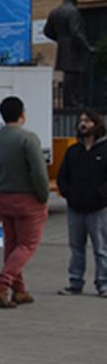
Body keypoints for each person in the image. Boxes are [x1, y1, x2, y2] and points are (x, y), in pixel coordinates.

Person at [0, 96, 50, 308]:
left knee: (12, 246)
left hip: (3, 197)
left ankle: (19, 290)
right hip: (27, 199)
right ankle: (1, 284)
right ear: (22, 114)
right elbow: (38, 172)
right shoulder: (28, 139)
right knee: (27, 245)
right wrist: (43, 196)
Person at [55, 109, 107, 296]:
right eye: (81, 121)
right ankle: (75, 282)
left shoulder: (104, 149)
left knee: (101, 249)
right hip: (75, 208)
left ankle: (103, 284)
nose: (83, 124)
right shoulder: (73, 151)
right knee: (76, 248)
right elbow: (62, 176)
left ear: (97, 124)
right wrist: (70, 194)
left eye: (88, 121)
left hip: (98, 209)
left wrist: (99, 196)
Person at [43, 0, 91, 108]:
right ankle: (72, 100)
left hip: (62, 45)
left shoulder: (55, 12)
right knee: (74, 73)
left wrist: (60, 38)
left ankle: (69, 99)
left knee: (68, 72)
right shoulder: (73, 12)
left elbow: (46, 31)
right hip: (73, 47)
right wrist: (87, 46)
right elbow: (76, 32)